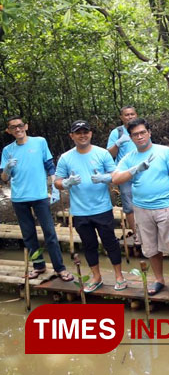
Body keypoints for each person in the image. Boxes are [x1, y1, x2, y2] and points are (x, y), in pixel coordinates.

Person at [111, 118, 169, 297]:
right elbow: (116, 178)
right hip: (141, 209)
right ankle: (159, 279)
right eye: (136, 134)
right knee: (150, 247)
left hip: (165, 206)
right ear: (131, 137)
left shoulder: (164, 152)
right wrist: (135, 169)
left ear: (149, 133)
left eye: (143, 132)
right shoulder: (129, 158)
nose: (140, 137)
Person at [54, 120, 126, 292]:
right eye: (78, 132)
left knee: (110, 243)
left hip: (102, 208)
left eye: (85, 131)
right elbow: (56, 182)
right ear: (72, 136)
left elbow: (115, 175)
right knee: (89, 245)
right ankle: (96, 277)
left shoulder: (102, 153)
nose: (82, 135)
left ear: (91, 134)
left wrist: (104, 178)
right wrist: (66, 182)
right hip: (79, 210)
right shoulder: (65, 157)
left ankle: (119, 276)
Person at [1, 116, 72, 281]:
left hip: (39, 196)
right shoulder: (7, 150)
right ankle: (38, 265)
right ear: (9, 131)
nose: (18, 129)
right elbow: (4, 178)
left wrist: (55, 187)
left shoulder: (40, 142)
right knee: (28, 234)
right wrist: (8, 168)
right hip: (19, 198)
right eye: (13, 127)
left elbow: (49, 165)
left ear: (26, 126)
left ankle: (59, 268)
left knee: (49, 233)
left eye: (20, 126)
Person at [106, 105, 139, 245]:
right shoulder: (117, 132)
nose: (130, 117)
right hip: (124, 173)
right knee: (129, 205)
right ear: (121, 117)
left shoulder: (140, 129)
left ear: (136, 115)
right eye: (127, 115)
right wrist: (118, 143)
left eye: (132, 114)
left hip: (142, 171)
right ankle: (137, 234)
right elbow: (109, 154)